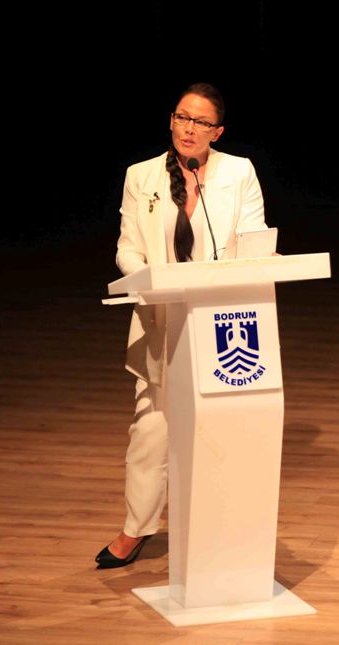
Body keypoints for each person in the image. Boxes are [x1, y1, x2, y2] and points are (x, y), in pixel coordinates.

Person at [95, 82, 268, 569]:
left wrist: (262, 255)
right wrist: (148, 280)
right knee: (151, 428)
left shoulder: (239, 172)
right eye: (182, 117)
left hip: (224, 322)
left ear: (218, 132)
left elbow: (253, 236)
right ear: (171, 120)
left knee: (223, 429)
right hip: (163, 316)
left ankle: (222, 527)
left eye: (201, 122)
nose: (189, 129)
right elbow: (128, 247)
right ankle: (136, 528)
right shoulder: (141, 175)